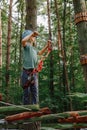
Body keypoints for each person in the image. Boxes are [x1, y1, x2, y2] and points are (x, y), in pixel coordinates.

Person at [21, 30, 51, 105]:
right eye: (33, 37)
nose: (34, 38)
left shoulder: (34, 49)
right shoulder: (26, 46)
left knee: (35, 92)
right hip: (26, 73)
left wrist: (47, 46)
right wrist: (32, 34)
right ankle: (26, 110)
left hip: (33, 73)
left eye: (34, 37)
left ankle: (35, 109)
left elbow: (40, 53)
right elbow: (23, 41)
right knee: (26, 93)